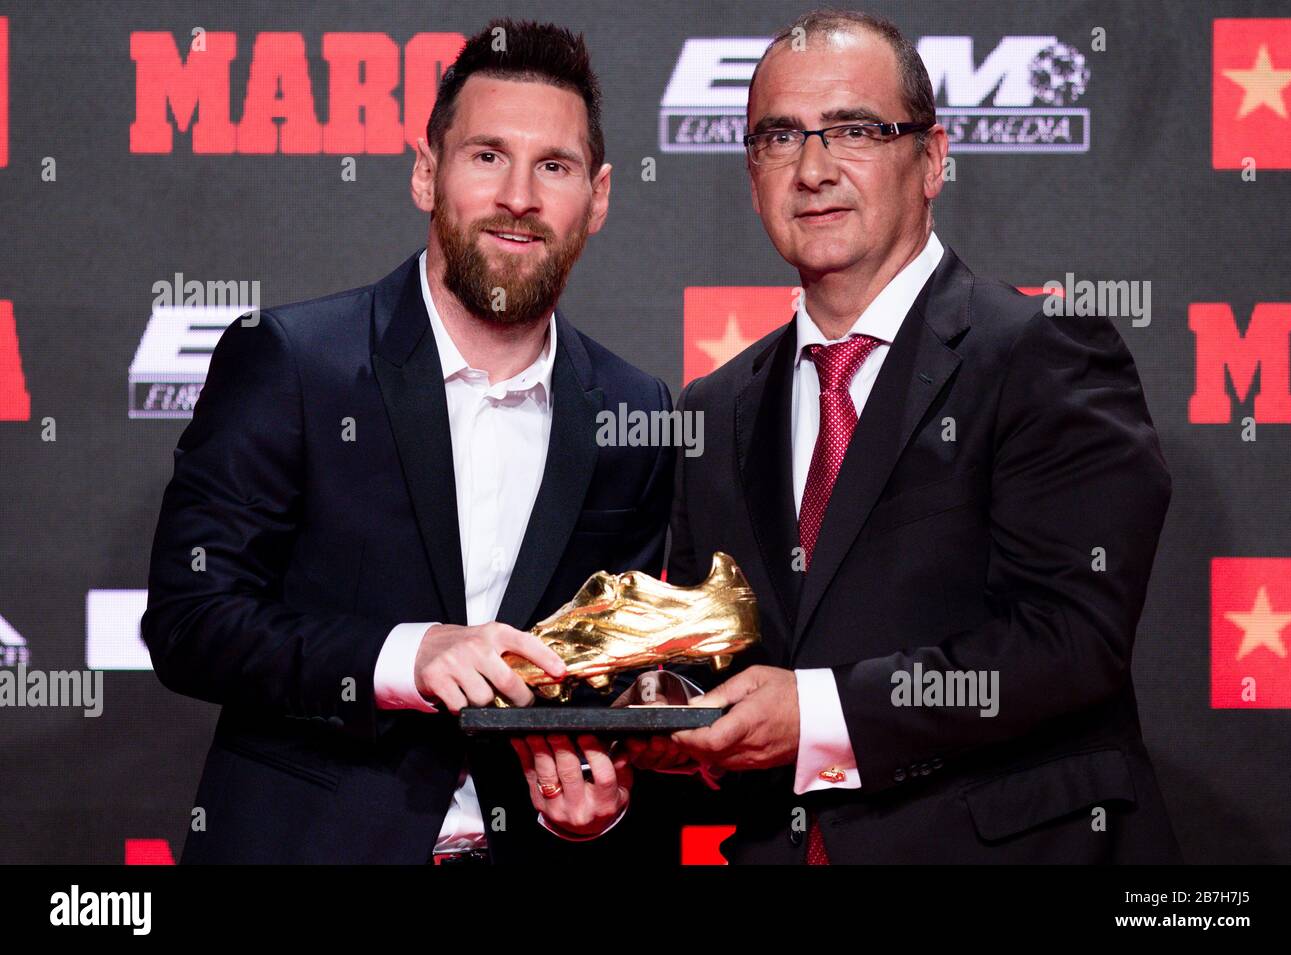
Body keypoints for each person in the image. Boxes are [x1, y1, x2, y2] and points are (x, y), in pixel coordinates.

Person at [640, 9, 1183, 864]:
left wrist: (818, 713)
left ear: (931, 159)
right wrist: (647, 723)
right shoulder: (712, 410)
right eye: (779, 138)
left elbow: (1072, 639)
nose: (813, 169)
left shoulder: (1044, 353)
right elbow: (725, 667)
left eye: (854, 129)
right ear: (752, 175)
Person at [141, 19, 673, 864]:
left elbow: (615, 682)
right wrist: (408, 654)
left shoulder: (633, 411)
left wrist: (597, 807)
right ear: (428, 172)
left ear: (598, 197)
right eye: (487, 156)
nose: (520, 197)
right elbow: (190, 621)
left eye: (555, 167)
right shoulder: (293, 361)